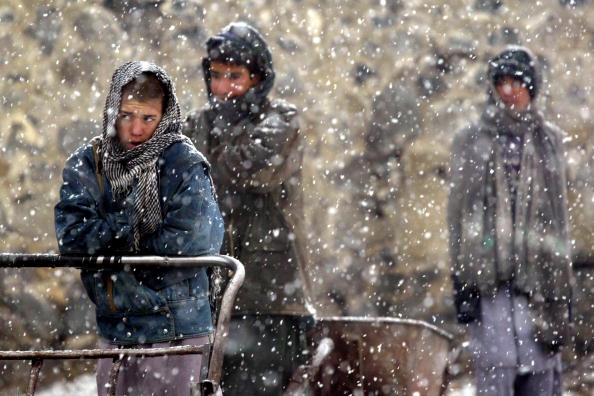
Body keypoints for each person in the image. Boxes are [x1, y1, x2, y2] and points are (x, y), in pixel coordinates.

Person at [55, 61, 224, 395]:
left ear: (165, 115)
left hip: (177, 326)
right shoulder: (89, 162)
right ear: (111, 112)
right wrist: (127, 229)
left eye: (148, 118)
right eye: (126, 115)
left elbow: (195, 242)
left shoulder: (182, 162)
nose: (135, 130)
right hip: (115, 326)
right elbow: (72, 236)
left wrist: (114, 248)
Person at [184, 22, 314, 395]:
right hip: (208, 292)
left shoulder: (282, 120)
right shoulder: (197, 124)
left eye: (235, 77)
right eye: (217, 76)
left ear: (258, 78)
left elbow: (247, 171)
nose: (224, 89)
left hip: (269, 295)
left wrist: (213, 147)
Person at [448, 46, 574, 396]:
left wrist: (562, 284)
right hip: (491, 280)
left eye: (516, 82)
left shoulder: (549, 141)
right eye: (500, 83)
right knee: (497, 370)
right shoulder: (472, 140)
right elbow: (459, 215)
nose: (508, 92)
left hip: (540, 281)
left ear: (531, 86)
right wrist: (463, 278)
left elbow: (559, 218)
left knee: (541, 371)